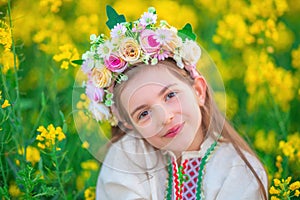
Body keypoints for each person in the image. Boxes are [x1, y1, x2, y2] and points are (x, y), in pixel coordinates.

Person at [79, 6, 269, 200]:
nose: (165, 117)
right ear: (129, 124)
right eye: (143, 114)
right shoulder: (127, 158)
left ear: (198, 91)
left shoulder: (237, 171)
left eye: (170, 96)